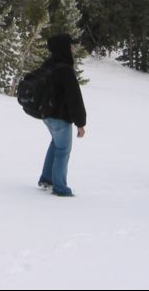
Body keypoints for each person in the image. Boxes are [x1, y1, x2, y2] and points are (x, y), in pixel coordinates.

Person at [37, 33, 87, 197]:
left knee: (56, 144)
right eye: (69, 45)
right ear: (63, 48)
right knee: (63, 150)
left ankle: (46, 178)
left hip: (46, 116)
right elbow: (75, 98)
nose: (71, 48)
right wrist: (80, 123)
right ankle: (60, 187)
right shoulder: (65, 70)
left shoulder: (48, 65)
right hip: (60, 117)